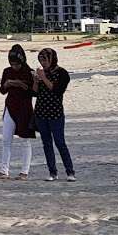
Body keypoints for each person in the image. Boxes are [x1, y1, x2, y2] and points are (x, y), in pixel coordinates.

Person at [0, 44, 35, 179]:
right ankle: (4, 170)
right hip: (10, 107)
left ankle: (24, 171)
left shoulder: (30, 72)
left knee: (24, 141)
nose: (15, 67)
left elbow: (35, 92)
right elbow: (2, 91)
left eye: (17, 64)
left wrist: (22, 85)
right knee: (6, 140)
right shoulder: (7, 71)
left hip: (25, 109)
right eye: (12, 64)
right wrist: (7, 84)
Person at [33, 47, 77, 182]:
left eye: (44, 60)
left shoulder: (62, 73)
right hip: (41, 113)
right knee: (46, 144)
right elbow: (35, 93)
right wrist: (36, 80)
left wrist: (44, 78)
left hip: (56, 113)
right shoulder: (42, 73)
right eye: (40, 60)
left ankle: (70, 172)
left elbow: (57, 90)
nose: (43, 63)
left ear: (51, 59)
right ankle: (53, 172)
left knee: (60, 143)